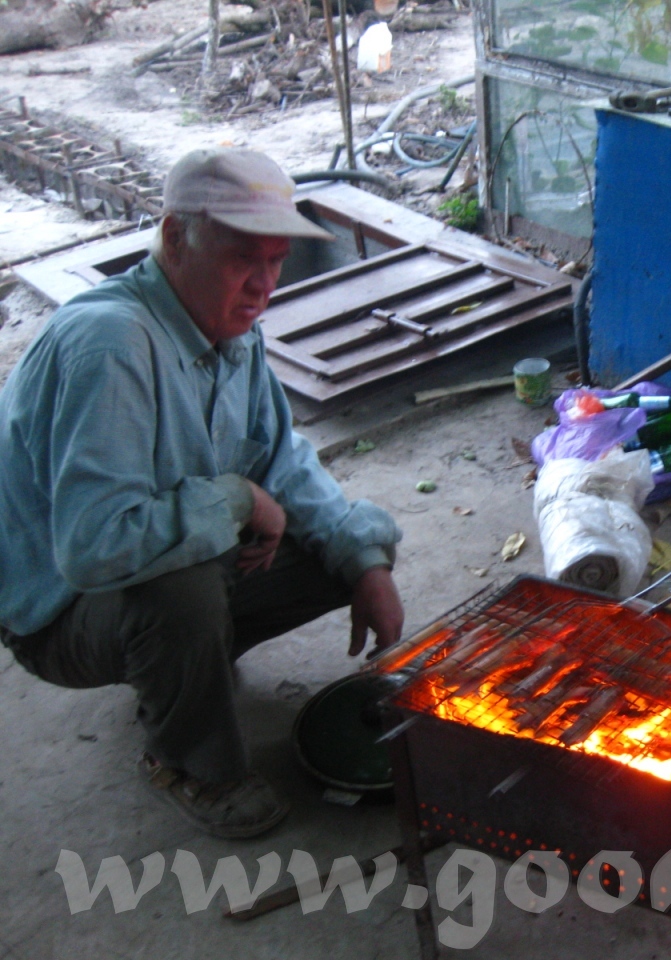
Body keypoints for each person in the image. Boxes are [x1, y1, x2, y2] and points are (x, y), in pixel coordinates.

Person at [0, 148, 405, 838]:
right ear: (174, 237)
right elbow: (93, 548)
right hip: (60, 612)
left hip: (139, 560)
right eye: (242, 257)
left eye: (276, 260)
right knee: (179, 592)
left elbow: (281, 458)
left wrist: (363, 562)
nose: (263, 285)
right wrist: (240, 500)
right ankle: (188, 762)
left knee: (345, 542)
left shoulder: (231, 329)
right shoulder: (111, 344)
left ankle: (187, 669)